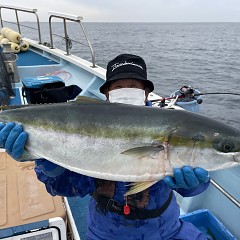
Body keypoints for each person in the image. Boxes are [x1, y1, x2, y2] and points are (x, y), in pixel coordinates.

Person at [0, 54, 210, 240]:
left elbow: (192, 186)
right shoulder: (86, 123)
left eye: (134, 86)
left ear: (146, 93)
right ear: (107, 93)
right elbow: (66, 188)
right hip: (106, 230)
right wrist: (47, 161)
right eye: (118, 87)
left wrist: (193, 184)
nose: (126, 91)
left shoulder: (171, 126)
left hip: (167, 227)